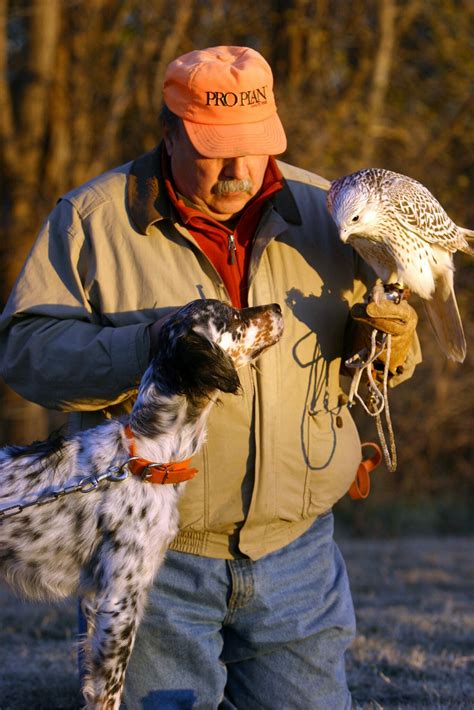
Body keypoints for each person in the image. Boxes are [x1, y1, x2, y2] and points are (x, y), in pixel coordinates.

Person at [0, 46, 420, 709]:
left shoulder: (333, 213)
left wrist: (390, 345)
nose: (237, 169)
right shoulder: (94, 219)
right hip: (155, 558)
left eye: (252, 147)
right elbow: (25, 352)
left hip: (297, 555)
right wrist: (151, 347)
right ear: (168, 132)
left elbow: (382, 353)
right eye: (214, 148)